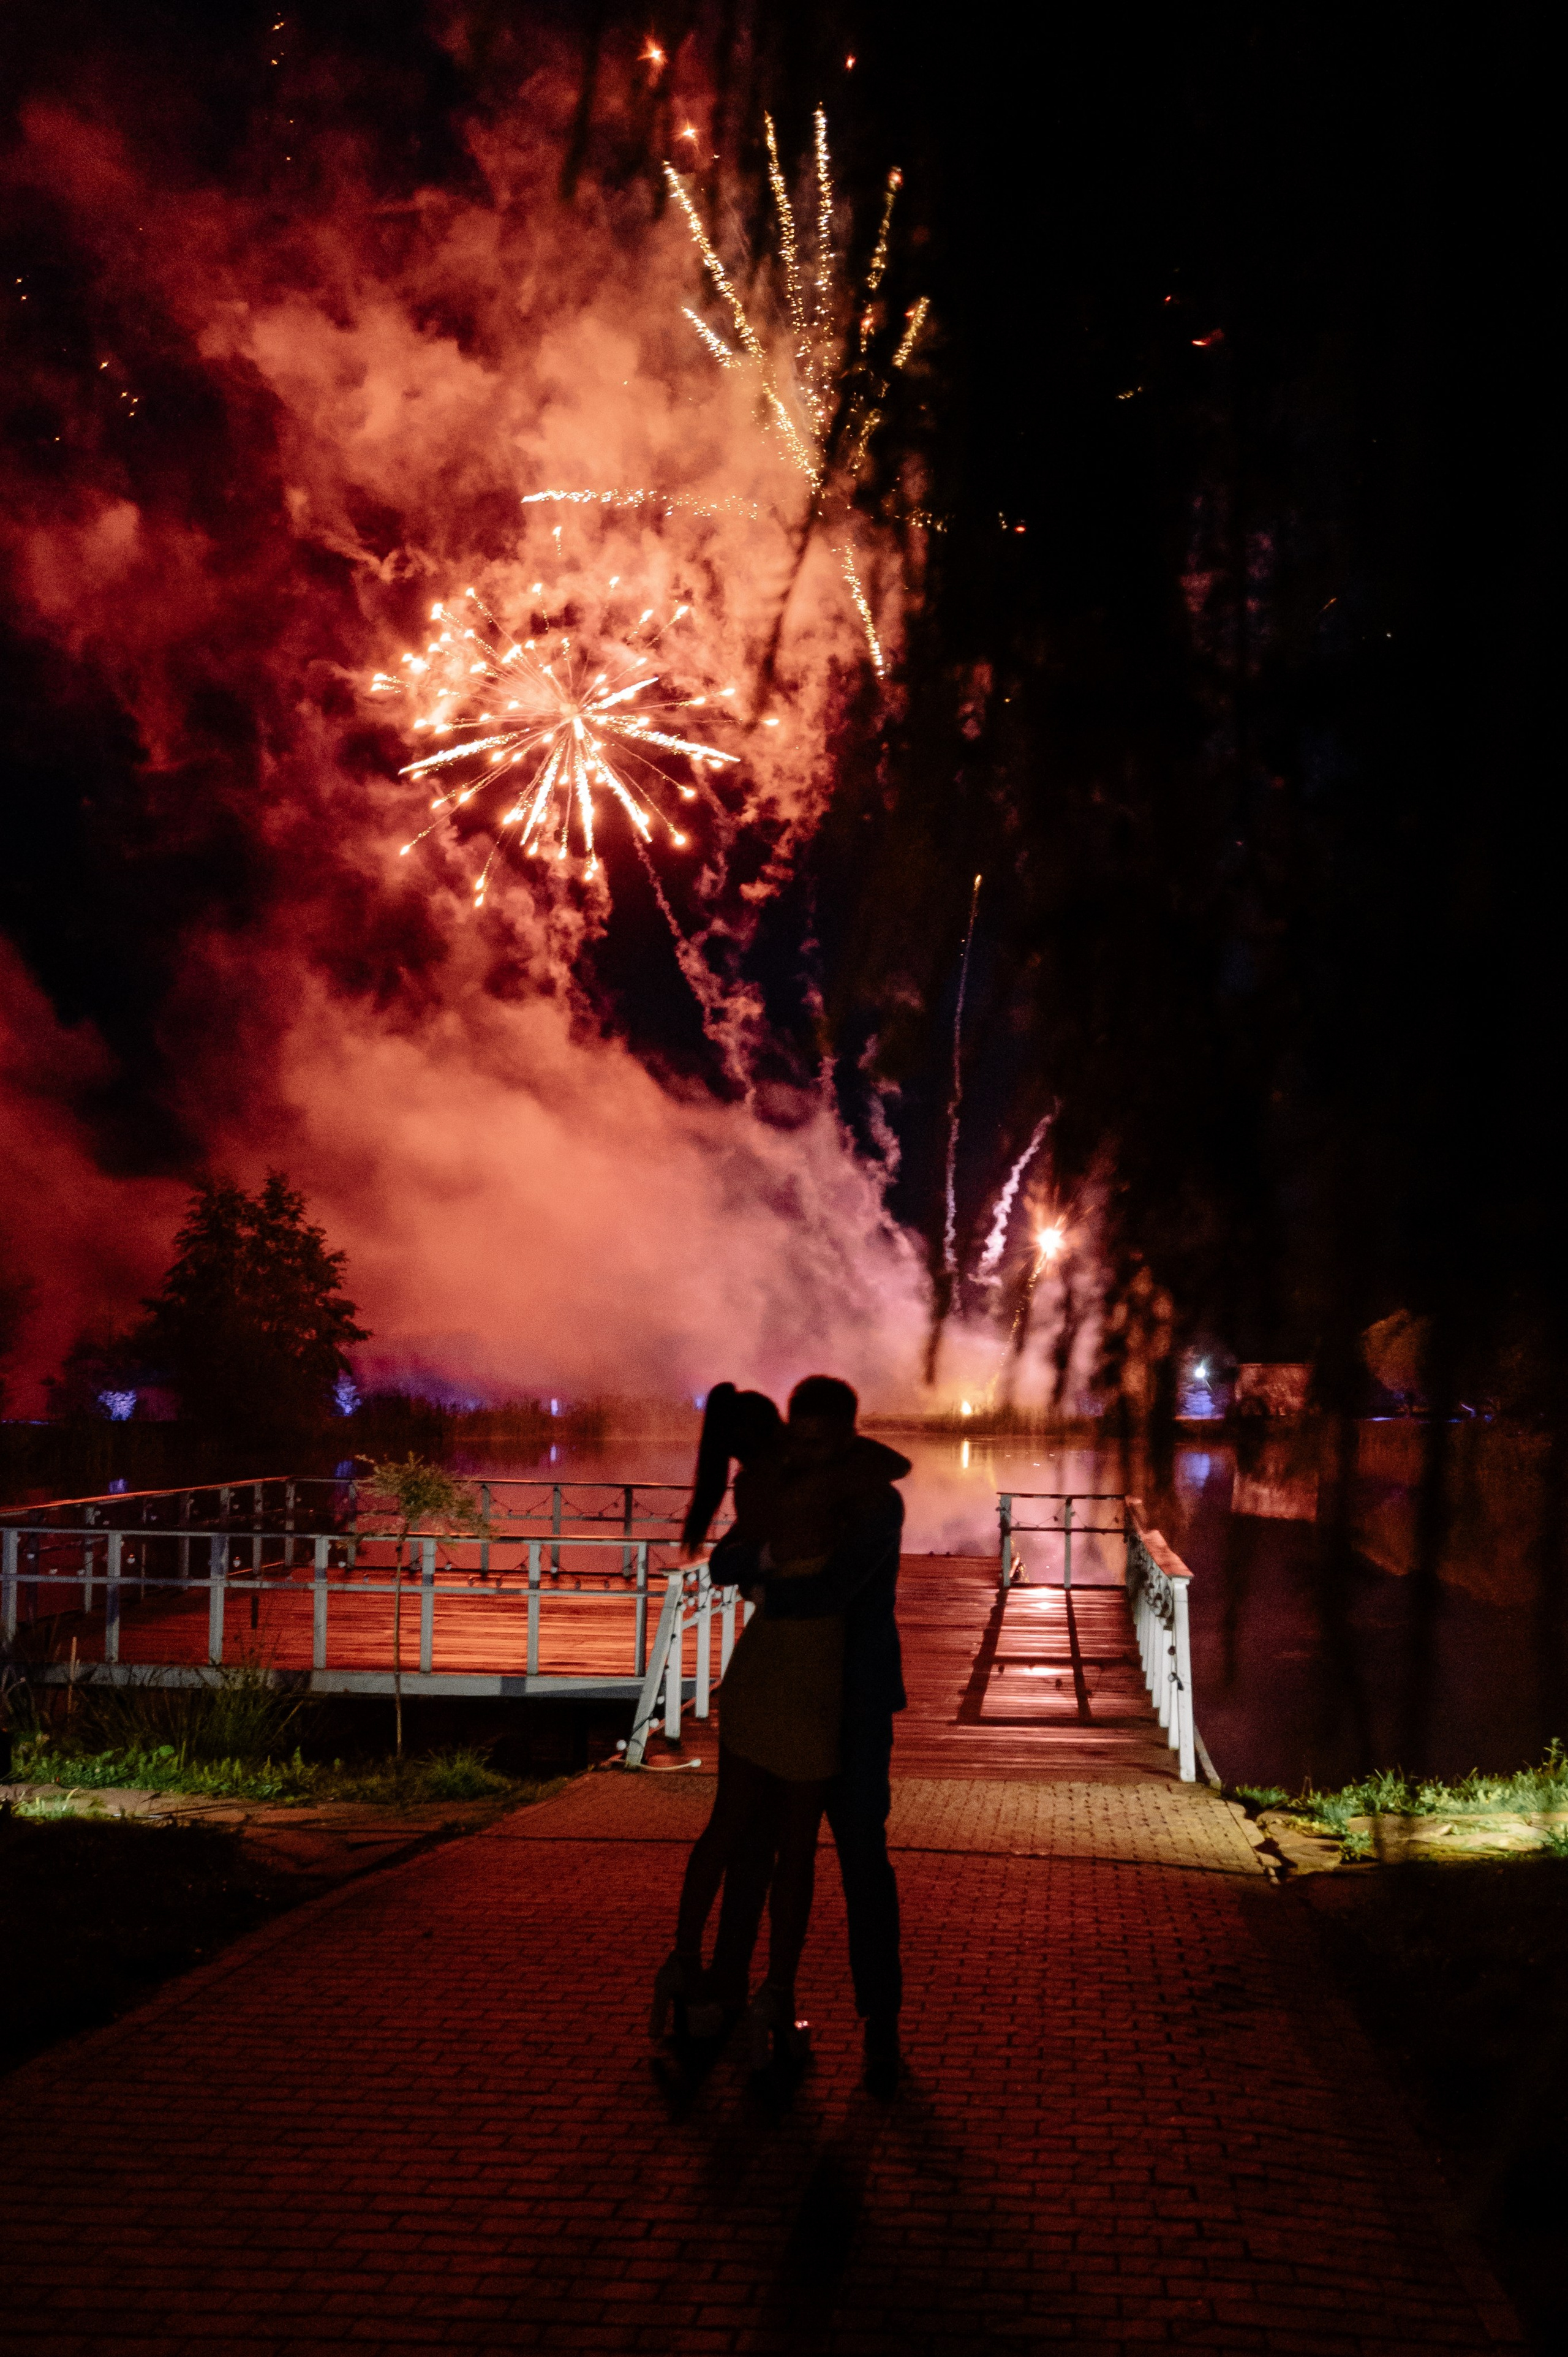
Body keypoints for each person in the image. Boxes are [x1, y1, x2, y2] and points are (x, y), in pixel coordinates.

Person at [651, 1378, 900, 2070]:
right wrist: (764, 1563)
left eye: (820, 1439)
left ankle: (879, 2019)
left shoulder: (874, 1500)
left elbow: (833, 1586)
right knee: (755, 1847)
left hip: (850, 1701)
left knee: (856, 1863)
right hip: (790, 1683)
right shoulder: (796, 1488)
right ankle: (731, 1991)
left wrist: (765, 1577)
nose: (807, 1450)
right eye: (800, 1437)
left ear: (847, 1434)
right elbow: (729, 1558)